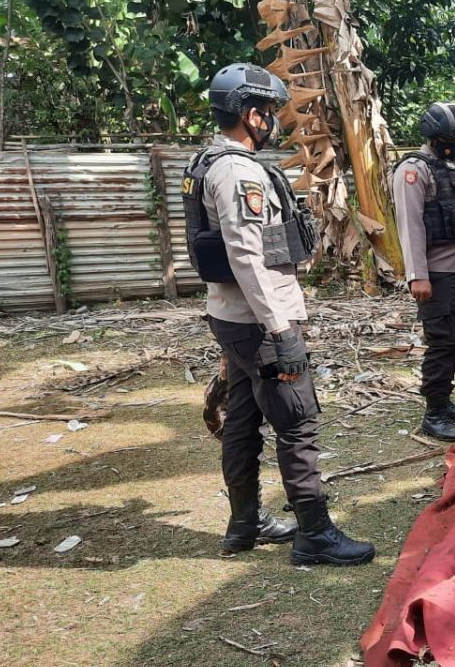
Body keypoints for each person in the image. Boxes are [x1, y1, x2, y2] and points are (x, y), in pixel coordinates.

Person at [182, 63, 374, 566]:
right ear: (250, 115)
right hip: (259, 322)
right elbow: (247, 255)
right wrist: (280, 328)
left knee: (244, 419)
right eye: (267, 113)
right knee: (298, 422)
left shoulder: (206, 161)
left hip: (232, 318)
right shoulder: (237, 170)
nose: (271, 122)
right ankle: (315, 534)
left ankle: (245, 523)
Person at [391, 102, 455, 443]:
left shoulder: (452, 165)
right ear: (433, 134)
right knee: (441, 341)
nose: (453, 143)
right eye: (448, 137)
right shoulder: (413, 171)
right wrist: (418, 275)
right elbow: (410, 225)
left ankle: (444, 399)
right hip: (436, 273)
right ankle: (434, 413)